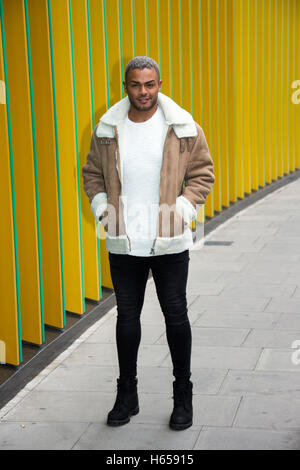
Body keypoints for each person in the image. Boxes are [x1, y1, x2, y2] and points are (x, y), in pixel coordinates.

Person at [82, 56, 215, 430]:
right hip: (126, 242)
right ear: (125, 85)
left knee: (176, 315)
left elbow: (203, 172)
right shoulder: (108, 128)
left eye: (150, 84)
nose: (144, 92)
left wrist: (183, 210)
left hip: (169, 241)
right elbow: (92, 173)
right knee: (127, 319)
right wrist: (103, 212)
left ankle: (182, 396)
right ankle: (127, 394)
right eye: (136, 84)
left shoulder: (182, 126)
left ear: (159, 83)